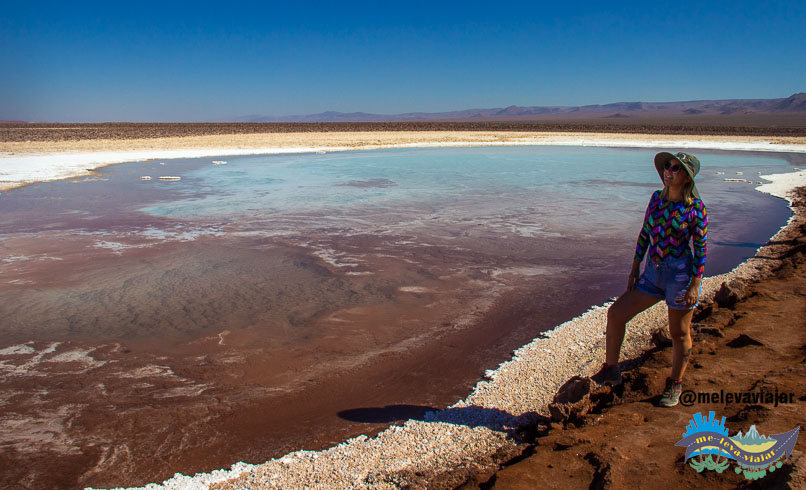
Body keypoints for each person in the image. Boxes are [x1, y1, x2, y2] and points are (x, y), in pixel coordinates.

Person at [592, 151, 707, 407]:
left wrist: (695, 284)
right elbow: (645, 233)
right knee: (616, 314)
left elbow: (700, 248)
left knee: (678, 332)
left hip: (679, 276)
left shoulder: (695, 208)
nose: (669, 171)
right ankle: (612, 370)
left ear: (687, 178)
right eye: (668, 166)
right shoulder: (656, 199)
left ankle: (675, 384)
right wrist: (634, 268)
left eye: (676, 168)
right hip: (652, 273)